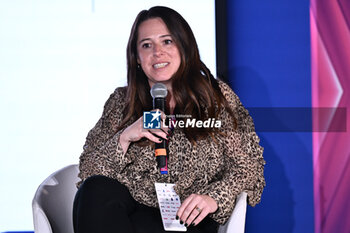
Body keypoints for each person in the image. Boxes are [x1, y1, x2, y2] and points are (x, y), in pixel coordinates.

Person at [73, 6, 265, 233]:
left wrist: (213, 198)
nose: (157, 52)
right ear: (136, 57)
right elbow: (88, 170)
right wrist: (124, 138)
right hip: (132, 214)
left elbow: (250, 167)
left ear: (184, 47)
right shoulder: (120, 102)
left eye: (167, 42)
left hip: (188, 217)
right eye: (146, 45)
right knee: (94, 189)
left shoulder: (216, 98)